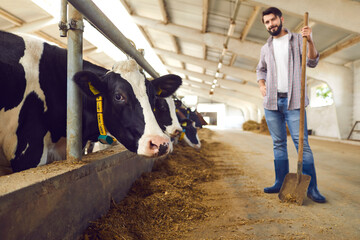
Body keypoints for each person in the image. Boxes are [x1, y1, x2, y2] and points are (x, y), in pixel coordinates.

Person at [256, 7, 326, 203]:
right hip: (271, 102)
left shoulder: (298, 40)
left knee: (302, 145)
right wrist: (262, 84)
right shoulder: (265, 48)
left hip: (294, 100)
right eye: (267, 22)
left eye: (273, 20)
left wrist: (310, 40)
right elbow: (260, 69)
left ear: (281, 19)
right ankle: (280, 181)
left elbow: (312, 61)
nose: (271, 24)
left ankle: (312, 188)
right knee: (278, 143)